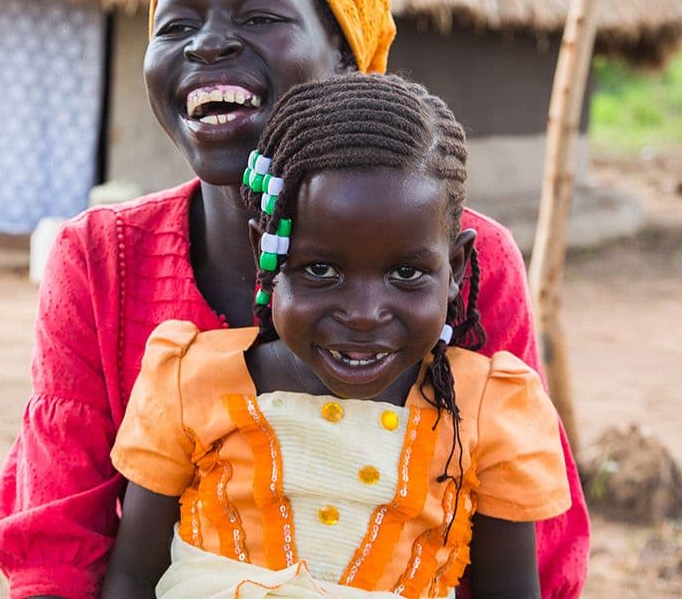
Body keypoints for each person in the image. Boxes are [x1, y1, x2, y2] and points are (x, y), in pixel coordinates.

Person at [0, 0, 589, 599]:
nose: (207, 43)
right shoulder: (100, 260)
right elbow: (55, 544)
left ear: (346, 55)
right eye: (175, 24)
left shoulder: (472, 258)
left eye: (259, 17)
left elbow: (534, 541)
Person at [100, 74, 570, 599]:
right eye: (321, 269)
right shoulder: (189, 383)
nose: (364, 314)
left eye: (407, 274)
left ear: (456, 267)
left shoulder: (491, 414)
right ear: (268, 255)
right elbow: (131, 578)